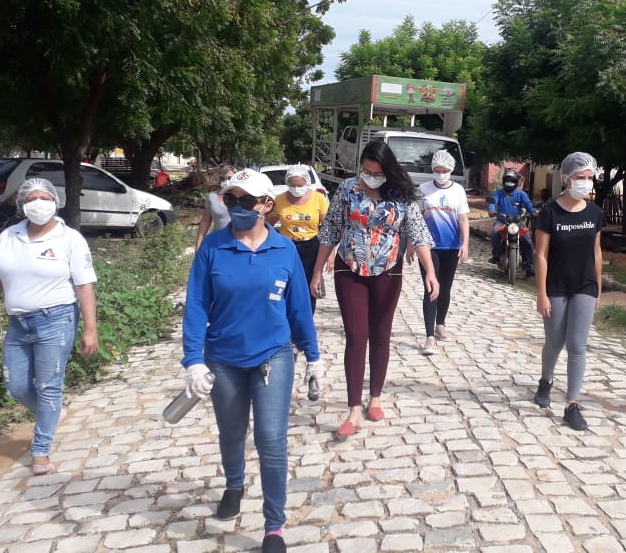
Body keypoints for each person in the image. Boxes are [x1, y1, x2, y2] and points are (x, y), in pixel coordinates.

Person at [181, 168, 322, 553]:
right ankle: (234, 483)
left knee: (271, 438)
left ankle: (274, 525)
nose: (238, 207)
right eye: (231, 199)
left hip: (272, 355)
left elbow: (299, 309)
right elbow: (195, 305)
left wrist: (313, 356)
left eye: (247, 200)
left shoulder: (284, 249)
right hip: (223, 356)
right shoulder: (212, 247)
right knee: (231, 431)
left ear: (266, 205)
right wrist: (193, 359)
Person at [312, 140, 439, 439]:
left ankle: (375, 398)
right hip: (350, 267)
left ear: (388, 170)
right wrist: (317, 270)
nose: (370, 176)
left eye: (377, 172)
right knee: (356, 337)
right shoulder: (346, 190)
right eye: (366, 170)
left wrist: (429, 272)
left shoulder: (402, 194)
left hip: (388, 270)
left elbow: (417, 232)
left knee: (381, 335)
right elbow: (330, 229)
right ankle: (354, 408)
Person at [0, 178, 99, 476]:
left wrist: (90, 328)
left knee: (47, 386)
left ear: (55, 202)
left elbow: (84, 286)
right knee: (16, 387)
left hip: (56, 319)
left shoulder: (69, 239)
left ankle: (40, 450)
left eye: (44, 197)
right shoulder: (9, 236)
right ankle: (55, 411)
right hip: (18, 323)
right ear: (22, 204)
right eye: (31, 198)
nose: (38, 203)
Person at [533, 152, 605, 431]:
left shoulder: (595, 213)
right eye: (579, 177)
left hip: (585, 284)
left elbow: (597, 251)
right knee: (555, 341)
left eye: (589, 178)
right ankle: (546, 379)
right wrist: (541, 293)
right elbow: (541, 255)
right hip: (556, 285)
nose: (585, 183)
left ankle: (572, 403)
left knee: (577, 345)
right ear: (566, 179)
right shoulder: (550, 213)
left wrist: (598, 286)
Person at [410, 149, 470, 356]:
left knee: (445, 289)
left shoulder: (458, 191)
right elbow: (414, 218)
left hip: (451, 247)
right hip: (428, 247)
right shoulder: (423, 190)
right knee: (431, 288)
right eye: (437, 169)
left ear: (451, 169)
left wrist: (465, 244)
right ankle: (429, 337)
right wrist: (411, 244)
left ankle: (440, 324)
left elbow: (463, 219)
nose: (441, 173)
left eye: (444, 170)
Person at [266, 164, 334, 313]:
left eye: (300, 185)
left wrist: (331, 254)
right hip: (287, 245)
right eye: (292, 185)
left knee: (310, 282)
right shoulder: (280, 199)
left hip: (311, 246)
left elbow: (327, 228)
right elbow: (267, 225)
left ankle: (307, 315)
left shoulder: (318, 198)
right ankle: (286, 314)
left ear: (306, 183)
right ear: (287, 183)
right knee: (286, 281)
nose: (296, 188)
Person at [488, 169, 538, 277]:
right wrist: (491, 210)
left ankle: (529, 266)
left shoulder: (521, 194)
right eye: (507, 181)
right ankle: (495, 255)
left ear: (516, 182)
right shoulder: (498, 193)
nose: (509, 183)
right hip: (502, 221)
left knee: (528, 241)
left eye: (512, 181)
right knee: (496, 232)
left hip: (518, 222)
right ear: (503, 181)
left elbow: (529, 205)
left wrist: (533, 212)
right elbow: (493, 202)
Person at [195, 165, 237, 250]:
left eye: (230, 178)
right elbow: (205, 221)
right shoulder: (212, 197)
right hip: (217, 244)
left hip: (237, 243)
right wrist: (199, 244)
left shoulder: (243, 198)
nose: (226, 181)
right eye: (223, 178)